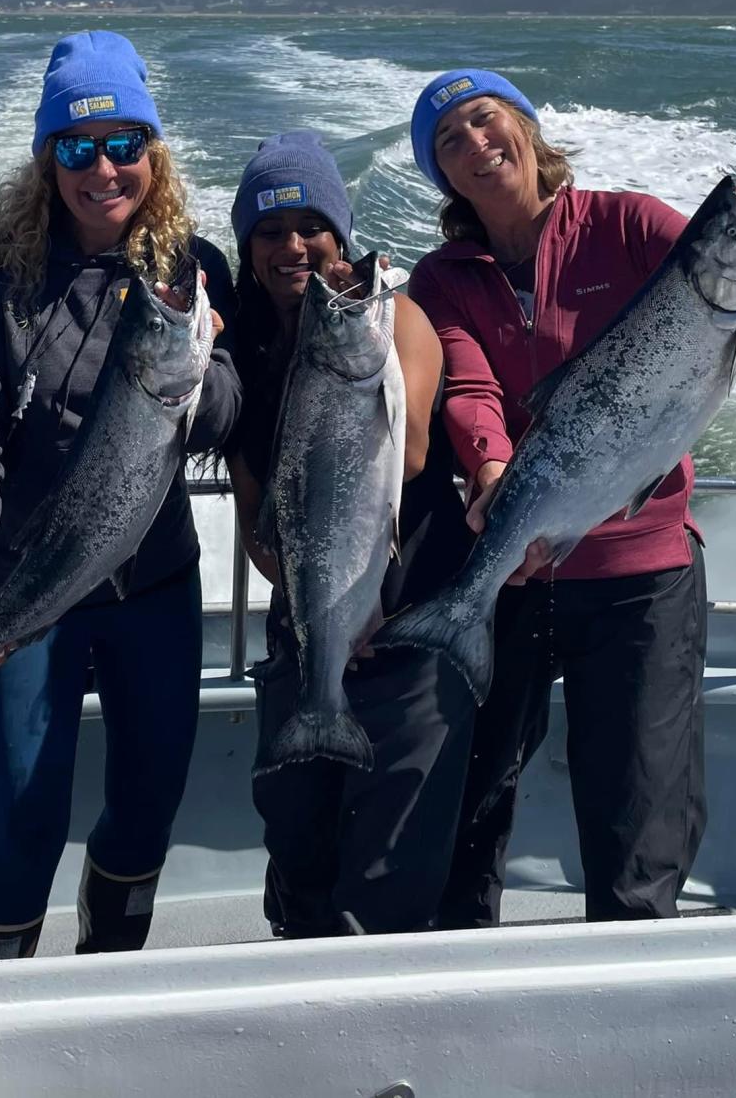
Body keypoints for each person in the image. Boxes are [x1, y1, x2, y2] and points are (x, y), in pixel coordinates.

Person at [407, 68, 736, 925]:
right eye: (449, 140)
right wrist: (486, 468)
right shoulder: (441, 278)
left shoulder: (627, 223)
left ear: (526, 128)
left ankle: (635, 992)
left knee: (639, 818)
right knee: (470, 813)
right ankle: (456, 974)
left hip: (641, 577)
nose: (475, 144)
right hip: (519, 569)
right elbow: (469, 387)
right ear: (438, 174)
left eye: (486, 120)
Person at [0, 29, 241, 962]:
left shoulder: (192, 265)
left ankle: (106, 984)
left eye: (125, 143)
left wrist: (202, 363)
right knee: (25, 822)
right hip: (28, 587)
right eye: (75, 147)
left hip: (153, 589)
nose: (104, 168)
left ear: (154, 153)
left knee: (148, 806)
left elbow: (223, 417)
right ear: (45, 159)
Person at [224, 130, 476, 938]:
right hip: (310, 640)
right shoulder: (239, 358)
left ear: (342, 236)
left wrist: (343, 325)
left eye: (312, 226)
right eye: (270, 231)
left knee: (389, 882)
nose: (293, 246)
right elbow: (258, 523)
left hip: (413, 642)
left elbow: (408, 456)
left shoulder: (393, 318)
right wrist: (319, 604)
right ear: (248, 248)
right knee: (299, 856)